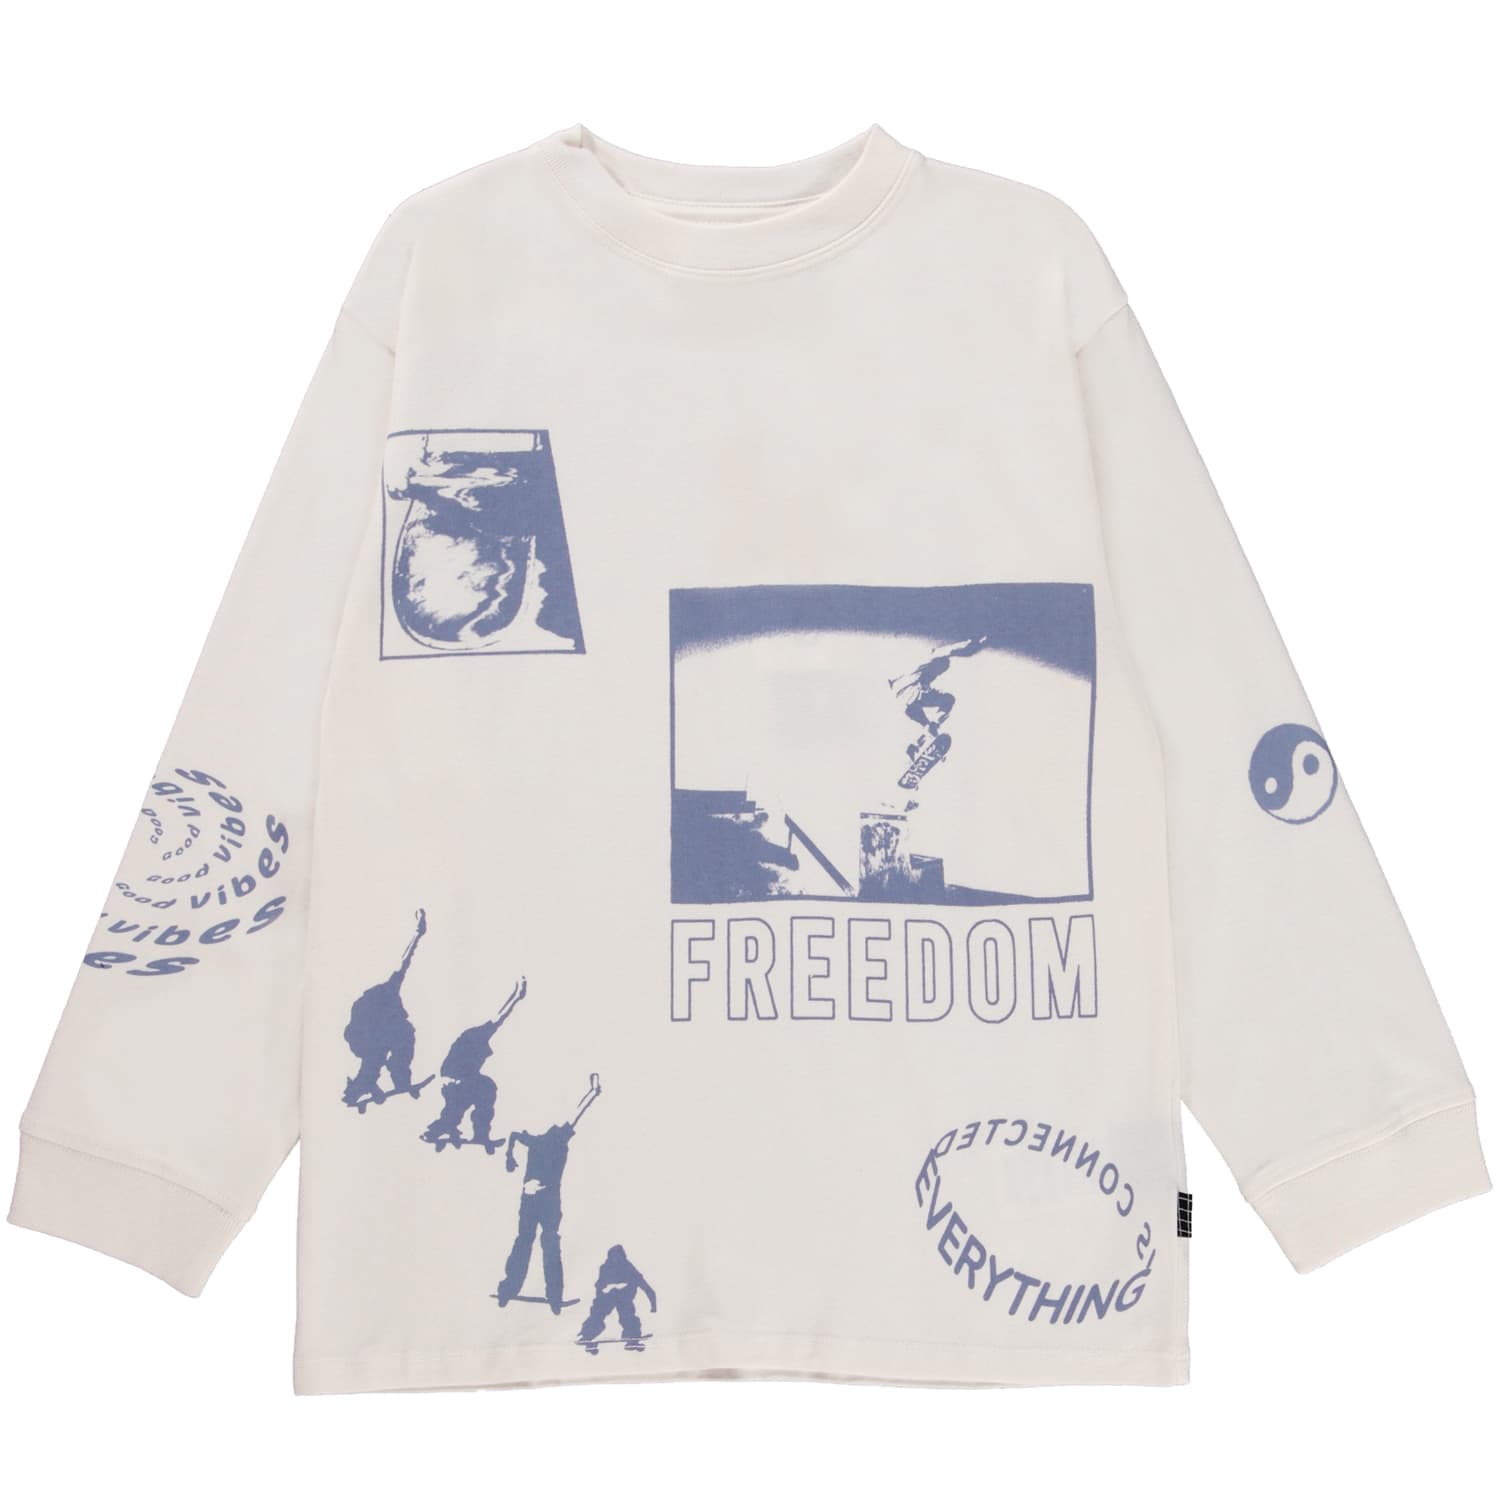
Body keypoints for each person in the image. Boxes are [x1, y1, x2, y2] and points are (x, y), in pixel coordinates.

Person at [494, 1074, 601, 1314]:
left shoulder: (549, 1139)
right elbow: (516, 1135)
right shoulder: (545, 1140)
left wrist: (593, 1093)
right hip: (537, 1200)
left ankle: (541, 1293)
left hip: (542, 1199)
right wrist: (509, 1156)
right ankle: (518, 1289)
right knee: (536, 1242)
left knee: (538, 1241)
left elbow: (576, 1113)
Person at [420, 977, 527, 1151]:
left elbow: (498, 1019)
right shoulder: (473, 1038)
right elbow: (499, 1017)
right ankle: (444, 1129)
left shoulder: (474, 1040)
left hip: (460, 1083)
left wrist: (516, 996)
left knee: (479, 1094)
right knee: (481, 1091)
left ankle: (461, 1131)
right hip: (453, 1081)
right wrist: (516, 997)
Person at [342, 909, 430, 1109]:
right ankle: (372, 1082)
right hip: (362, 1036)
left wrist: (417, 934)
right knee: (388, 1046)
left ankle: (371, 1082)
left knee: (396, 1041)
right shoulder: (374, 1004)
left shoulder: (389, 991)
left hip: (368, 1035)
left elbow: (404, 962)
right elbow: (403, 962)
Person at [888, 635, 989, 752]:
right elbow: (957, 649)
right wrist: (976, 643)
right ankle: (932, 727)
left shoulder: (918, 674)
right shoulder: (933, 656)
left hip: (907, 704)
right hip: (911, 693)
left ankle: (915, 747)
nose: (938, 673)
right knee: (948, 700)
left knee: (928, 725)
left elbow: (895, 682)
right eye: (941, 669)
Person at [577, 1244, 657, 1353]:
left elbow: (645, 1286)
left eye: (617, 1257)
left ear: (622, 1257)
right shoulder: (605, 1267)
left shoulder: (629, 1268)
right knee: (597, 1313)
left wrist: (653, 1304)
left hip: (624, 1296)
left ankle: (632, 1336)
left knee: (627, 1314)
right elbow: (599, 1284)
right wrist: (601, 1293)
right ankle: (587, 1334)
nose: (615, 1260)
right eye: (613, 1257)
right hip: (608, 1296)